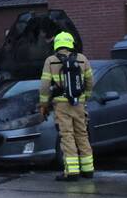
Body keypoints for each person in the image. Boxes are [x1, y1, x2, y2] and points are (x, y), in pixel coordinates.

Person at [39, 32, 95, 181]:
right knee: (82, 135)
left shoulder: (50, 61)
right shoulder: (82, 59)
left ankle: (72, 172)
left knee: (67, 136)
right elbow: (90, 82)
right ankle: (88, 170)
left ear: (57, 44)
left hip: (61, 105)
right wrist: (85, 98)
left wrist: (43, 104)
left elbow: (44, 86)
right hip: (79, 103)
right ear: (71, 43)